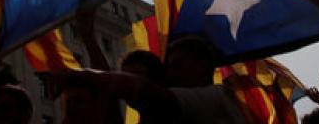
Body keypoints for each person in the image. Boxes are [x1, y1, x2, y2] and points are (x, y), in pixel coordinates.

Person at [39, 36, 245, 124]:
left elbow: (142, 91)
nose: (171, 74)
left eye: (177, 66)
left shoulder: (218, 98)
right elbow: (111, 100)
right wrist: (88, 36)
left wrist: (80, 74)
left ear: (202, 67)